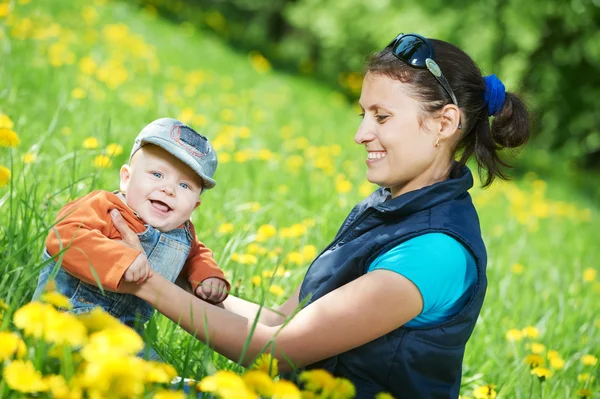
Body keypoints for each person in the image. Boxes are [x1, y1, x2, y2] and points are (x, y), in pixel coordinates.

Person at [111, 33, 530, 398]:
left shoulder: (434, 251)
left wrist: (147, 284)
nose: (361, 134)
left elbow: (279, 349)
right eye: (363, 114)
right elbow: (280, 320)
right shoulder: (389, 210)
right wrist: (175, 269)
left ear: (444, 123)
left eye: (381, 116)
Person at [33, 118, 230, 336]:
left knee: (158, 369)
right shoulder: (105, 207)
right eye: (157, 174)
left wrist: (208, 277)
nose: (168, 189)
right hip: (65, 321)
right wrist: (120, 259)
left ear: (194, 206)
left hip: (127, 334)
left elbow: (195, 256)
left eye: (184, 185)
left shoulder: (182, 234)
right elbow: (63, 236)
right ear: (126, 179)